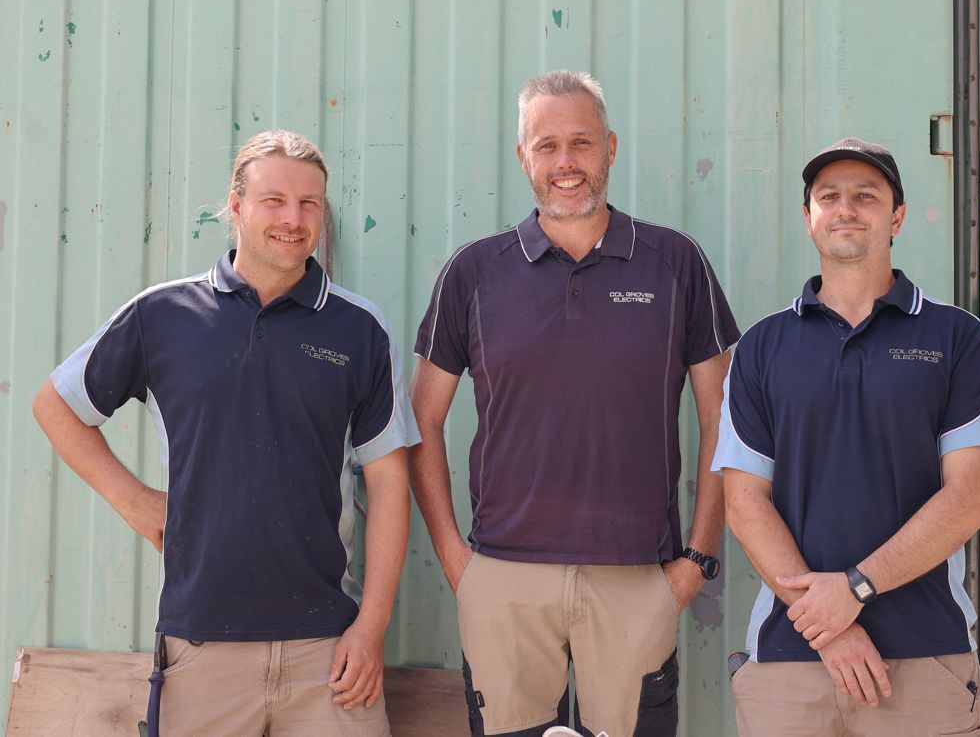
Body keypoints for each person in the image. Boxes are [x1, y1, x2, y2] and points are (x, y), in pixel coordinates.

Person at [32, 129, 418, 736]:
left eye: (309, 203)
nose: (293, 218)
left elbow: (391, 483)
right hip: (201, 645)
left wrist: (370, 629)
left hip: (330, 651)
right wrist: (134, 501)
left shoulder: (360, 330)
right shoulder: (162, 315)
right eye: (274, 200)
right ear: (236, 206)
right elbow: (56, 404)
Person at [410, 70, 741, 737]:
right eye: (547, 145)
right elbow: (421, 420)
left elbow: (723, 419)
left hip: (635, 577)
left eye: (582, 143)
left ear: (611, 148)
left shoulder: (675, 263)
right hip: (502, 578)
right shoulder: (473, 272)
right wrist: (457, 562)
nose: (566, 164)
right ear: (523, 156)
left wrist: (696, 560)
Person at [716, 137, 980, 736]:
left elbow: (969, 497)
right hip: (789, 661)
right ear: (809, 217)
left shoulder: (957, 339)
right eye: (828, 196)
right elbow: (744, 500)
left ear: (897, 217)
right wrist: (828, 625)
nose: (846, 208)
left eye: (866, 195)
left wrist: (855, 590)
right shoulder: (762, 347)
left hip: (924, 656)